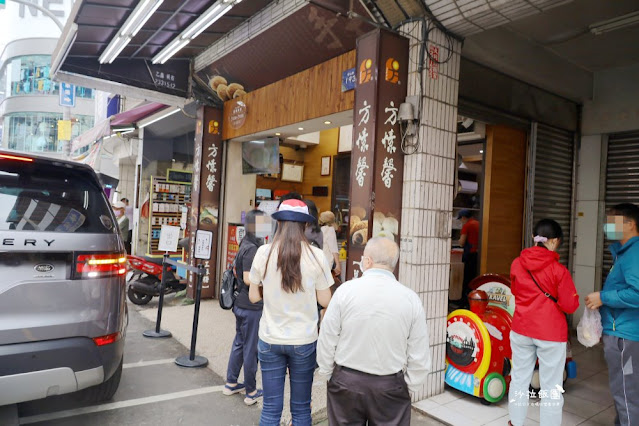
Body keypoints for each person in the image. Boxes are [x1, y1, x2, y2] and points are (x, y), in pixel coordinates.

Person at [316, 237, 431, 425]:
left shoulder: (345, 291)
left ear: (367, 261)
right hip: (390, 385)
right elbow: (419, 354)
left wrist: (329, 373)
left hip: (346, 381)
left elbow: (327, 338)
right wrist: (407, 386)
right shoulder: (411, 299)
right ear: (394, 264)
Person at [248, 199, 333, 426]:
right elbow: (326, 300)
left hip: (269, 338)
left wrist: (274, 293)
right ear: (305, 226)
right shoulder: (316, 256)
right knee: (301, 410)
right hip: (304, 341)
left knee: (270, 410)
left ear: (279, 224)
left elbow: (254, 296)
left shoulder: (264, 253)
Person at [508, 219, 579, 426]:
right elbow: (570, 306)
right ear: (555, 241)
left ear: (534, 238)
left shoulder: (516, 263)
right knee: (551, 387)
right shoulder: (559, 271)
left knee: (519, 379)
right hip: (550, 334)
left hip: (521, 328)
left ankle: (515, 422)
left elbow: (515, 291)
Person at [585, 203, 639, 426]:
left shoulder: (634, 253)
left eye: (612, 221)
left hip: (625, 336)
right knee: (628, 389)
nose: (607, 226)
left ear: (630, 224)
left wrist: (603, 298)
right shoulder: (624, 252)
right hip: (623, 331)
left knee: (625, 392)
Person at [224, 210, 267, 406]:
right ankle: (251, 391)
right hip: (251, 306)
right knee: (251, 349)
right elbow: (249, 279)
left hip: (241, 304)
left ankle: (231, 382)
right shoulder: (252, 249)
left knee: (240, 344)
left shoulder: (245, 244)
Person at [458, 209, 479, 305]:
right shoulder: (478, 224)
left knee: (467, 279)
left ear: (463, 217)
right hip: (478, 255)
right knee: (474, 278)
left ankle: (465, 302)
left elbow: (462, 242)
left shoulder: (467, 226)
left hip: (469, 255)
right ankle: (474, 299)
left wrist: (459, 241)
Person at [319, 211, 341, 281]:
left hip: (318, 261)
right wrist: (338, 264)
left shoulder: (319, 229)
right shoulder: (330, 230)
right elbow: (333, 248)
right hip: (326, 262)